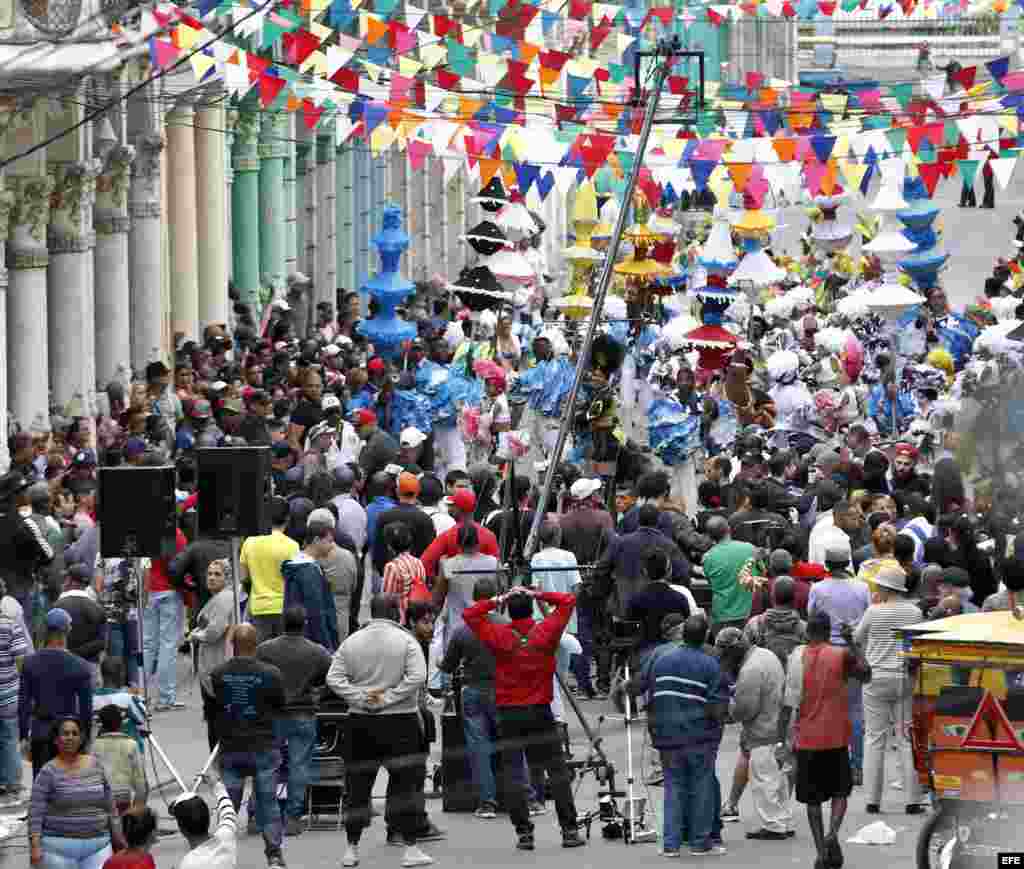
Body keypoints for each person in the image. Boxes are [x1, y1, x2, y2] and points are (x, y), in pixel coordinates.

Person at [463, 586, 584, 851]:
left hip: (509, 712)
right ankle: (569, 830)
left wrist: (497, 598)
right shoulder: (545, 631)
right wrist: (537, 593)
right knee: (557, 771)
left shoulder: (499, 634)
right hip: (540, 709)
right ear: (530, 608)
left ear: (508, 609)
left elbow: (470, 615)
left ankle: (524, 833)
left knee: (514, 772)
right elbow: (568, 600)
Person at [326, 593, 436, 869]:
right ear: (396, 613)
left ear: (372, 613)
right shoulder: (406, 641)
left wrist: (361, 697)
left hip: (360, 722)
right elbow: (418, 677)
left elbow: (333, 678)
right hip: (401, 722)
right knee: (406, 785)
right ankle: (410, 848)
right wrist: (389, 697)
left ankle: (351, 849)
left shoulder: (351, 641)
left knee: (358, 786)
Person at [780, 611, 871, 869]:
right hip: (836, 737)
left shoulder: (796, 657)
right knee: (840, 792)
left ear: (808, 632)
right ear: (828, 630)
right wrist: (852, 642)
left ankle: (821, 851)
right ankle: (833, 834)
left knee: (813, 800)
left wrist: (780, 738)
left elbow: (787, 705)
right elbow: (866, 674)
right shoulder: (841, 655)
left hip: (807, 738)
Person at [646, 614, 728, 857]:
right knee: (701, 786)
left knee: (673, 786)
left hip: (667, 736)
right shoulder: (710, 665)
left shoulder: (661, 661)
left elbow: (652, 698)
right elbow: (717, 708)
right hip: (699, 736)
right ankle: (700, 842)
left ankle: (670, 844)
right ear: (704, 638)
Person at [209, 624, 286, 868]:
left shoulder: (218, 673)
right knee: (268, 802)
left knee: (228, 806)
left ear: (232, 644)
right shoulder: (271, 673)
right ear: (256, 645)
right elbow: (279, 706)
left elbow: (213, 711)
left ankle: (222, 855)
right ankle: (273, 854)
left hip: (231, 747)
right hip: (263, 745)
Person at [853, 566, 926, 814]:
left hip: (876, 678)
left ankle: (872, 799)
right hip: (904, 677)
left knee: (874, 737)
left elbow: (856, 638)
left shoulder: (873, 611)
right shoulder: (915, 613)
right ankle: (912, 800)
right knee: (906, 738)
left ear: (885, 588)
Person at [256, 605, 333, 837]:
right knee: (299, 766)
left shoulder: (265, 650)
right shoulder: (317, 652)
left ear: (282, 623)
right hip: (303, 713)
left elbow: (257, 676)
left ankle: (265, 815)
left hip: (275, 714)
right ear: (305, 624)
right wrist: (316, 691)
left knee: (269, 764)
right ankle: (293, 817)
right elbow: (331, 676)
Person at [715, 627, 793, 840]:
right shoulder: (765, 655)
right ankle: (783, 819)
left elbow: (745, 710)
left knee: (764, 779)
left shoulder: (750, 669)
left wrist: (730, 706)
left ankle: (774, 825)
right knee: (779, 780)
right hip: (779, 727)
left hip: (763, 731)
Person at [807, 543, 871, 785]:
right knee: (855, 711)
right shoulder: (862, 588)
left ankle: (830, 765)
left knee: (826, 708)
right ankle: (856, 768)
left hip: (827, 652)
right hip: (853, 652)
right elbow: (867, 618)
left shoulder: (818, 589)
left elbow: (811, 617)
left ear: (827, 565)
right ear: (847, 564)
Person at [29, 716, 123, 868]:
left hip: (98, 846)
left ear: (81, 739)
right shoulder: (48, 771)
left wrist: (118, 836)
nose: (70, 738)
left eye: (74, 733)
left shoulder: (96, 765)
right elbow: (36, 811)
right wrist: (35, 845)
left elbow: (110, 805)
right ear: (56, 739)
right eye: (65, 734)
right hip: (57, 850)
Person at [20, 609, 94, 778]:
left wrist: (23, 735)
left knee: (41, 785)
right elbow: (86, 709)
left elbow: (23, 703)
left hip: (40, 733)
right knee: (67, 787)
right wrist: (86, 737)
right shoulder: (80, 665)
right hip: (68, 736)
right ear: (67, 631)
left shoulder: (30, 663)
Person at [187, 560, 235, 751]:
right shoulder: (219, 598)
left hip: (218, 662)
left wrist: (195, 635)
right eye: (209, 574)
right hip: (212, 662)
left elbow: (214, 631)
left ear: (228, 578)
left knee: (217, 717)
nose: (212, 578)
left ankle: (218, 763)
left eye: (217, 574)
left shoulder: (224, 599)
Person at [239, 496, 300, 642]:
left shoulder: (250, 542)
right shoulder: (293, 546)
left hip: (258, 607)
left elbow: (243, 577)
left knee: (259, 653)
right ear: (287, 518)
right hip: (284, 608)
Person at [0, 471, 55, 629]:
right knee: (22, 643)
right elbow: (48, 555)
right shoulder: (25, 525)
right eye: (23, 490)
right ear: (14, 495)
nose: (27, 494)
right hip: (19, 591)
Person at [433, 522, 500, 645]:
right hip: (488, 627)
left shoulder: (448, 564)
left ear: (457, 543)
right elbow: (501, 594)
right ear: (478, 542)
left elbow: (438, 597)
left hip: (457, 627)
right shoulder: (493, 563)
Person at [281, 519, 340, 650]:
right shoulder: (309, 571)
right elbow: (316, 612)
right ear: (316, 540)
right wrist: (327, 645)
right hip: (313, 642)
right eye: (329, 541)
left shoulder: (297, 566)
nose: (332, 546)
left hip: (296, 637)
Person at [420, 489, 500, 580]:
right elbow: (497, 569)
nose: (450, 508)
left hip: (454, 589)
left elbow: (425, 563)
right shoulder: (489, 535)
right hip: (482, 591)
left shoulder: (448, 535)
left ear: (457, 509)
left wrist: (437, 581)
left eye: (452, 505)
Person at [171, 762, 238, 869]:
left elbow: (228, 812)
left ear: (182, 830)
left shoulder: (188, 864)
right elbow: (228, 812)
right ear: (208, 818)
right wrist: (217, 786)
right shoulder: (226, 837)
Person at [0, 584, 30, 805]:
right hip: (8, 693)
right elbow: (21, 657)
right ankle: (12, 787)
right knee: (10, 738)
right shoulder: (9, 624)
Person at [702, 516, 755, 636]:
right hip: (747, 614)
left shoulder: (707, 558)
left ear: (710, 537)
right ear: (729, 529)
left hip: (720, 617)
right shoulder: (749, 549)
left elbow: (711, 583)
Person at [54, 566, 107, 686]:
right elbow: (101, 643)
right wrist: (79, 653)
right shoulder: (98, 609)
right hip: (89, 668)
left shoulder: (57, 606)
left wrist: (70, 653)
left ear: (70, 581)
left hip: (63, 666)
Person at [91, 706, 146, 815]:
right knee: (122, 827)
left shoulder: (94, 746)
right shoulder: (131, 745)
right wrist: (136, 807)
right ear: (121, 724)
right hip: (123, 797)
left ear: (100, 724)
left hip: (100, 798)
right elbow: (140, 781)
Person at [381, 523, 429, 626]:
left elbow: (387, 598)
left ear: (389, 546)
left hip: (400, 620)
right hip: (417, 618)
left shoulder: (392, 567)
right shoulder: (418, 562)